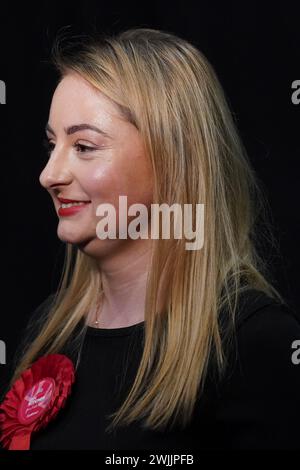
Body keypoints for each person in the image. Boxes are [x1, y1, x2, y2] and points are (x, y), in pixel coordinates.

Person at [1, 27, 300, 450]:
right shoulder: (48, 327)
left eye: (84, 146)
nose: (49, 175)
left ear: (172, 159)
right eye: (52, 144)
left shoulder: (252, 341)